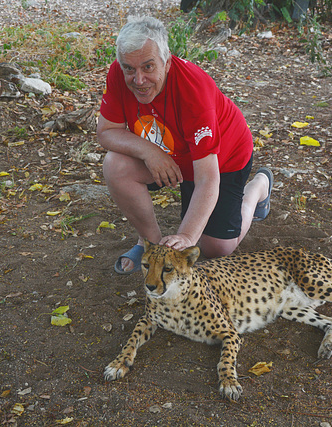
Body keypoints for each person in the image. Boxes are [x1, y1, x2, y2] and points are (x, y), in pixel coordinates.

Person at [97, 15, 273, 274]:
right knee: (115, 164)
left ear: (167, 62)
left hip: (222, 158)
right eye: (129, 69)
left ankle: (258, 188)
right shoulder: (118, 73)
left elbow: (207, 179)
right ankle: (152, 245)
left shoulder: (193, 89)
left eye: (148, 67)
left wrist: (188, 237)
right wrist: (149, 152)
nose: (138, 79)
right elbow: (107, 132)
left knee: (216, 248)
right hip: (171, 152)